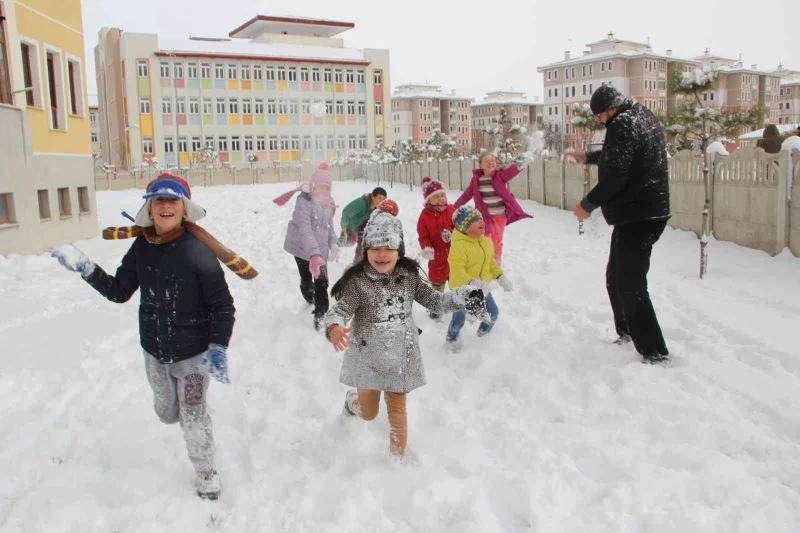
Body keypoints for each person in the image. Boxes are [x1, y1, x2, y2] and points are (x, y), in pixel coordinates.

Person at [50, 173, 235, 499]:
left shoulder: (199, 251)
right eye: (158, 201)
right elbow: (120, 291)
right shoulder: (142, 248)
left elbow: (223, 306)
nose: (165, 206)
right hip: (154, 350)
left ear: (184, 208)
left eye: (172, 200)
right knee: (167, 414)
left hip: (193, 355)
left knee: (193, 416)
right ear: (150, 210)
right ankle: (192, 416)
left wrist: (218, 346)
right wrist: (85, 267)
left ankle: (206, 469)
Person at [323, 210, 483, 458]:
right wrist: (334, 327)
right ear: (366, 251)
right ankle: (352, 403)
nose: (382, 254)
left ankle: (396, 461)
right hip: (369, 359)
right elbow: (340, 310)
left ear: (399, 250)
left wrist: (461, 296)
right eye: (375, 248)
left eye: (389, 247)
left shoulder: (409, 278)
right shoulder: (358, 283)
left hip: (400, 356)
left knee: (397, 410)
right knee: (369, 412)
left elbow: (436, 301)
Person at [572, 84, 671, 364]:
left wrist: (586, 205)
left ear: (611, 109)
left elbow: (616, 176)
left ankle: (654, 351)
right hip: (640, 213)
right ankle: (627, 331)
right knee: (615, 278)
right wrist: (589, 157)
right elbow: (621, 156)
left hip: (639, 215)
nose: (601, 121)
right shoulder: (639, 115)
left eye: (601, 115)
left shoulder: (624, 124)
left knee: (630, 284)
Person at [274, 162, 338, 330]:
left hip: (320, 251)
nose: (324, 191)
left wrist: (334, 244)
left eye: (327, 188)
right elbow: (305, 231)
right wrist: (314, 255)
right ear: (312, 187)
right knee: (306, 281)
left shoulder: (328, 205)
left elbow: (329, 228)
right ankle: (309, 296)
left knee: (322, 282)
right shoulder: (303, 204)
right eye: (320, 187)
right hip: (302, 250)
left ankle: (321, 315)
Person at [446, 205, 512, 348]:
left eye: (480, 218)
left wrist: (500, 277)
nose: (481, 222)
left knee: (493, 313)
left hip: (482, 288)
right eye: (474, 221)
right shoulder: (459, 247)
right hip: (462, 291)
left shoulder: (486, 242)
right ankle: (452, 339)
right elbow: (457, 271)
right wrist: (472, 282)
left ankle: (482, 337)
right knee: (459, 319)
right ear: (465, 228)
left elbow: (491, 263)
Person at [453, 151, 532, 264]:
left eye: (493, 160)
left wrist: (520, 163)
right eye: (487, 161)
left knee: (496, 240)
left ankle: (496, 263)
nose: (491, 163)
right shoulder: (476, 179)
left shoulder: (500, 176)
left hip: (500, 217)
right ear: (480, 165)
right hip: (484, 217)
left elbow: (511, 172)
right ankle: (485, 261)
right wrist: (454, 207)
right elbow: (466, 195)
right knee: (485, 239)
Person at [416, 176, 456, 319]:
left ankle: (457, 306)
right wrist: (427, 248)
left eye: (442, 195)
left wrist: (453, 234)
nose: (441, 199)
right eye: (436, 196)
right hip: (437, 257)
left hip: (455, 256)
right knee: (437, 285)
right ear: (428, 200)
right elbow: (423, 235)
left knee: (457, 283)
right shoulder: (425, 216)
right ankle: (435, 310)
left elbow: (461, 227)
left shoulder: (452, 210)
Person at [338, 187, 388, 262]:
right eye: (379, 198)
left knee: (363, 244)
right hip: (350, 225)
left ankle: (358, 262)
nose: (381, 201)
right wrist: (344, 229)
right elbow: (346, 212)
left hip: (361, 227)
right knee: (351, 241)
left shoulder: (377, 209)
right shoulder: (361, 203)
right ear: (372, 196)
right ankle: (335, 245)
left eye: (383, 199)